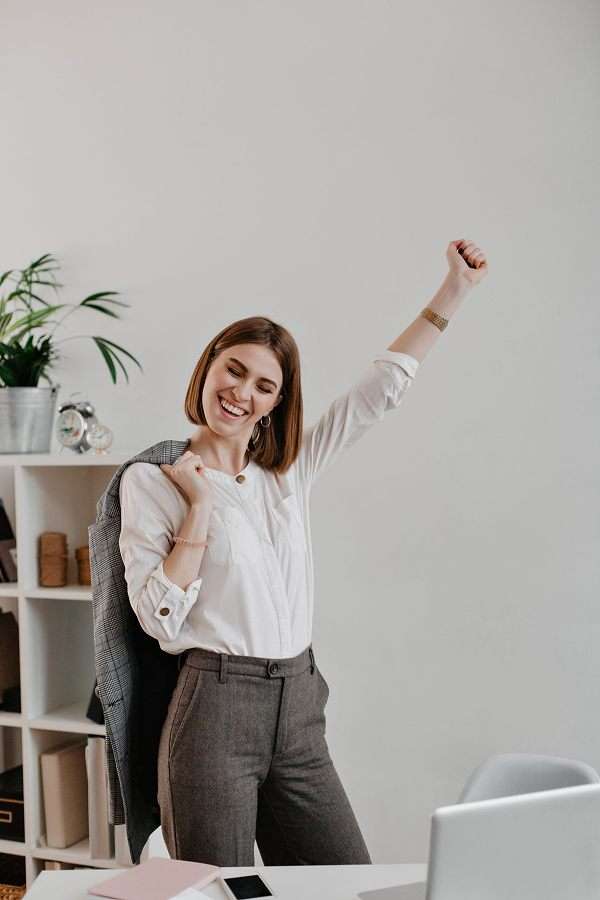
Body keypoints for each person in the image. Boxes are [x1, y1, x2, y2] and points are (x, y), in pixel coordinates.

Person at [117, 238, 488, 866]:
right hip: (213, 709)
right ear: (208, 367)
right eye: (233, 369)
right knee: (222, 891)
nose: (241, 392)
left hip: (298, 706)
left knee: (344, 881)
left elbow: (379, 391)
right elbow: (157, 619)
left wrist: (454, 289)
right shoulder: (152, 482)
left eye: (265, 385)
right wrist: (200, 510)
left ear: (277, 403)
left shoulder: (289, 472)